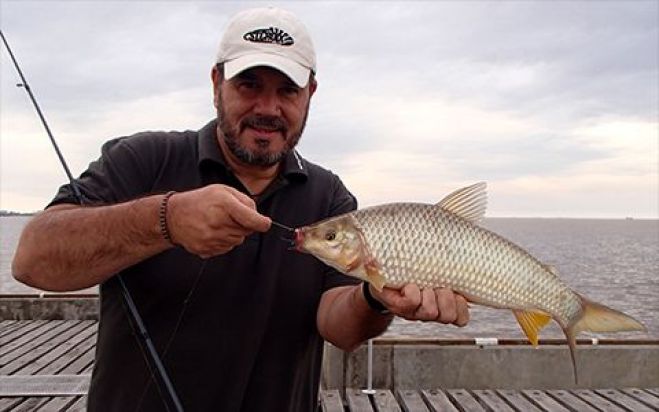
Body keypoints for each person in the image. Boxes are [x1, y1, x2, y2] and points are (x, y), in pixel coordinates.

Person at [12, 7, 470, 411]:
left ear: (310, 93)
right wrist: (165, 220)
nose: (267, 107)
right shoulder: (143, 160)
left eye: (287, 90)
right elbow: (33, 261)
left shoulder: (328, 197)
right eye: (249, 84)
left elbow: (340, 326)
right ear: (216, 82)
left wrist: (376, 298)